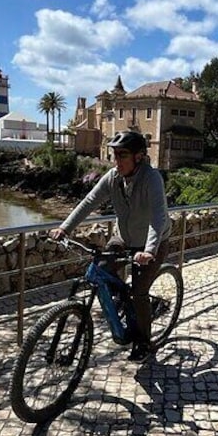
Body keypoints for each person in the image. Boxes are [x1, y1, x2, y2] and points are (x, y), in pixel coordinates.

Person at [50, 130, 172, 361]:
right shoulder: (113, 176)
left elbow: (158, 216)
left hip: (150, 243)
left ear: (138, 157)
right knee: (101, 270)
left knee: (138, 293)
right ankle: (123, 302)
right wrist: (65, 227)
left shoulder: (151, 178)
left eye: (122, 155)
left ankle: (144, 342)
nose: (116, 161)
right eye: (114, 155)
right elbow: (89, 202)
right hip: (124, 238)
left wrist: (149, 250)